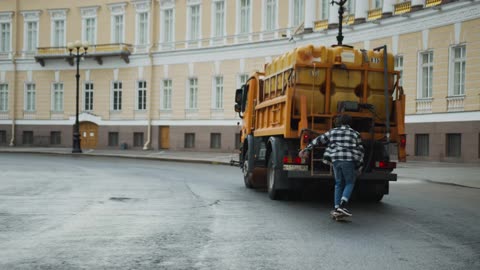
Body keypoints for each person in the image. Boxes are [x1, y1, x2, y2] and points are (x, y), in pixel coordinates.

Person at [298, 114, 364, 216]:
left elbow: (318, 140)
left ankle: (336, 208)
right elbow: (360, 150)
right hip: (348, 161)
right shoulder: (355, 134)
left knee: (338, 183)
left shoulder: (333, 132)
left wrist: (307, 149)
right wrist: (360, 165)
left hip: (335, 160)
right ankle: (342, 206)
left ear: (339, 122)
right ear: (350, 123)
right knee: (350, 182)